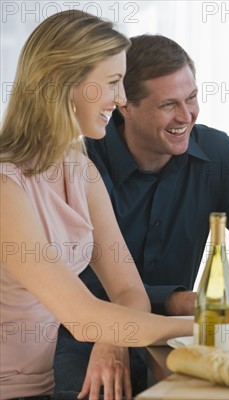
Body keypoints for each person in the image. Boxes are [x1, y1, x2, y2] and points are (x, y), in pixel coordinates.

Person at [52, 34, 229, 396]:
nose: (186, 116)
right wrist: (174, 301)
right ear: (125, 105)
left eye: (191, 98)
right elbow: (69, 281)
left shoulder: (217, 154)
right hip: (89, 333)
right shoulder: (82, 161)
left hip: (189, 330)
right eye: (168, 104)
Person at [0, 10, 193, 399]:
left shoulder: (78, 167)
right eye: (112, 82)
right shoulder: (6, 186)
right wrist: (214, 325)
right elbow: (86, 318)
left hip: (46, 386)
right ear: (61, 80)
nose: (121, 99)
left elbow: (129, 291)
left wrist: (115, 340)